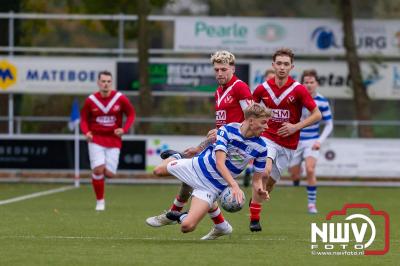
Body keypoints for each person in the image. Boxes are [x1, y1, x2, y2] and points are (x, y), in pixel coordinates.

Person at [146, 50, 253, 230]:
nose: (219, 73)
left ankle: (176, 210)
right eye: (216, 69)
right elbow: (219, 130)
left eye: (223, 69)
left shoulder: (240, 87)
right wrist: (200, 146)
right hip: (219, 146)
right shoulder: (219, 91)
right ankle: (214, 224)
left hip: (231, 151)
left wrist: (228, 136)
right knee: (191, 180)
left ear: (232, 69)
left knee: (195, 181)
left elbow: (250, 119)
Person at [153, 104, 271, 240]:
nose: (266, 127)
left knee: (187, 227)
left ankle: (180, 216)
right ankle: (179, 156)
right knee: (158, 171)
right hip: (195, 166)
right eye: (263, 122)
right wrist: (234, 185)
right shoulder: (227, 130)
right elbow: (220, 163)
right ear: (251, 120)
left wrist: (260, 190)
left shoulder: (261, 148)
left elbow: (257, 180)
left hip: (212, 187)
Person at [250, 48, 322, 232]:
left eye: (286, 64)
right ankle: (254, 218)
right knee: (264, 172)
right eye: (279, 63)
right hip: (267, 138)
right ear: (273, 65)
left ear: (292, 67)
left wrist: (295, 126)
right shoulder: (262, 89)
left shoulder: (298, 90)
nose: (282, 67)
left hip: (289, 144)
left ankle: (256, 200)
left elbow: (317, 114)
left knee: (270, 182)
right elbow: (250, 111)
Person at [80, 70, 135, 211]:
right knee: (98, 170)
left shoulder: (120, 98)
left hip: (114, 140)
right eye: (103, 81)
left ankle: (99, 173)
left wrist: (124, 129)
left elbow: (131, 114)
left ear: (112, 83)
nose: (105, 84)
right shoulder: (91, 100)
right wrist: (86, 132)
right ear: (98, 83)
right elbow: (84, 119)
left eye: (108, 81)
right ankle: (100, 201)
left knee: (109, 174)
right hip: (96, 139)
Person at [288, 69, 333, 214]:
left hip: (312, 141)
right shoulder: (295, 99)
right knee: (294, 175)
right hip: (295, 140)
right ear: (302, 84)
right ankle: (296, 173)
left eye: (311, 82)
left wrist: (319, 140)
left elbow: (329, 124)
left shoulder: (322, 101)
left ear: (316, 83)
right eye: (306, 82)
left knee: (310, 169)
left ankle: (312, 205)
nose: (309, 85)